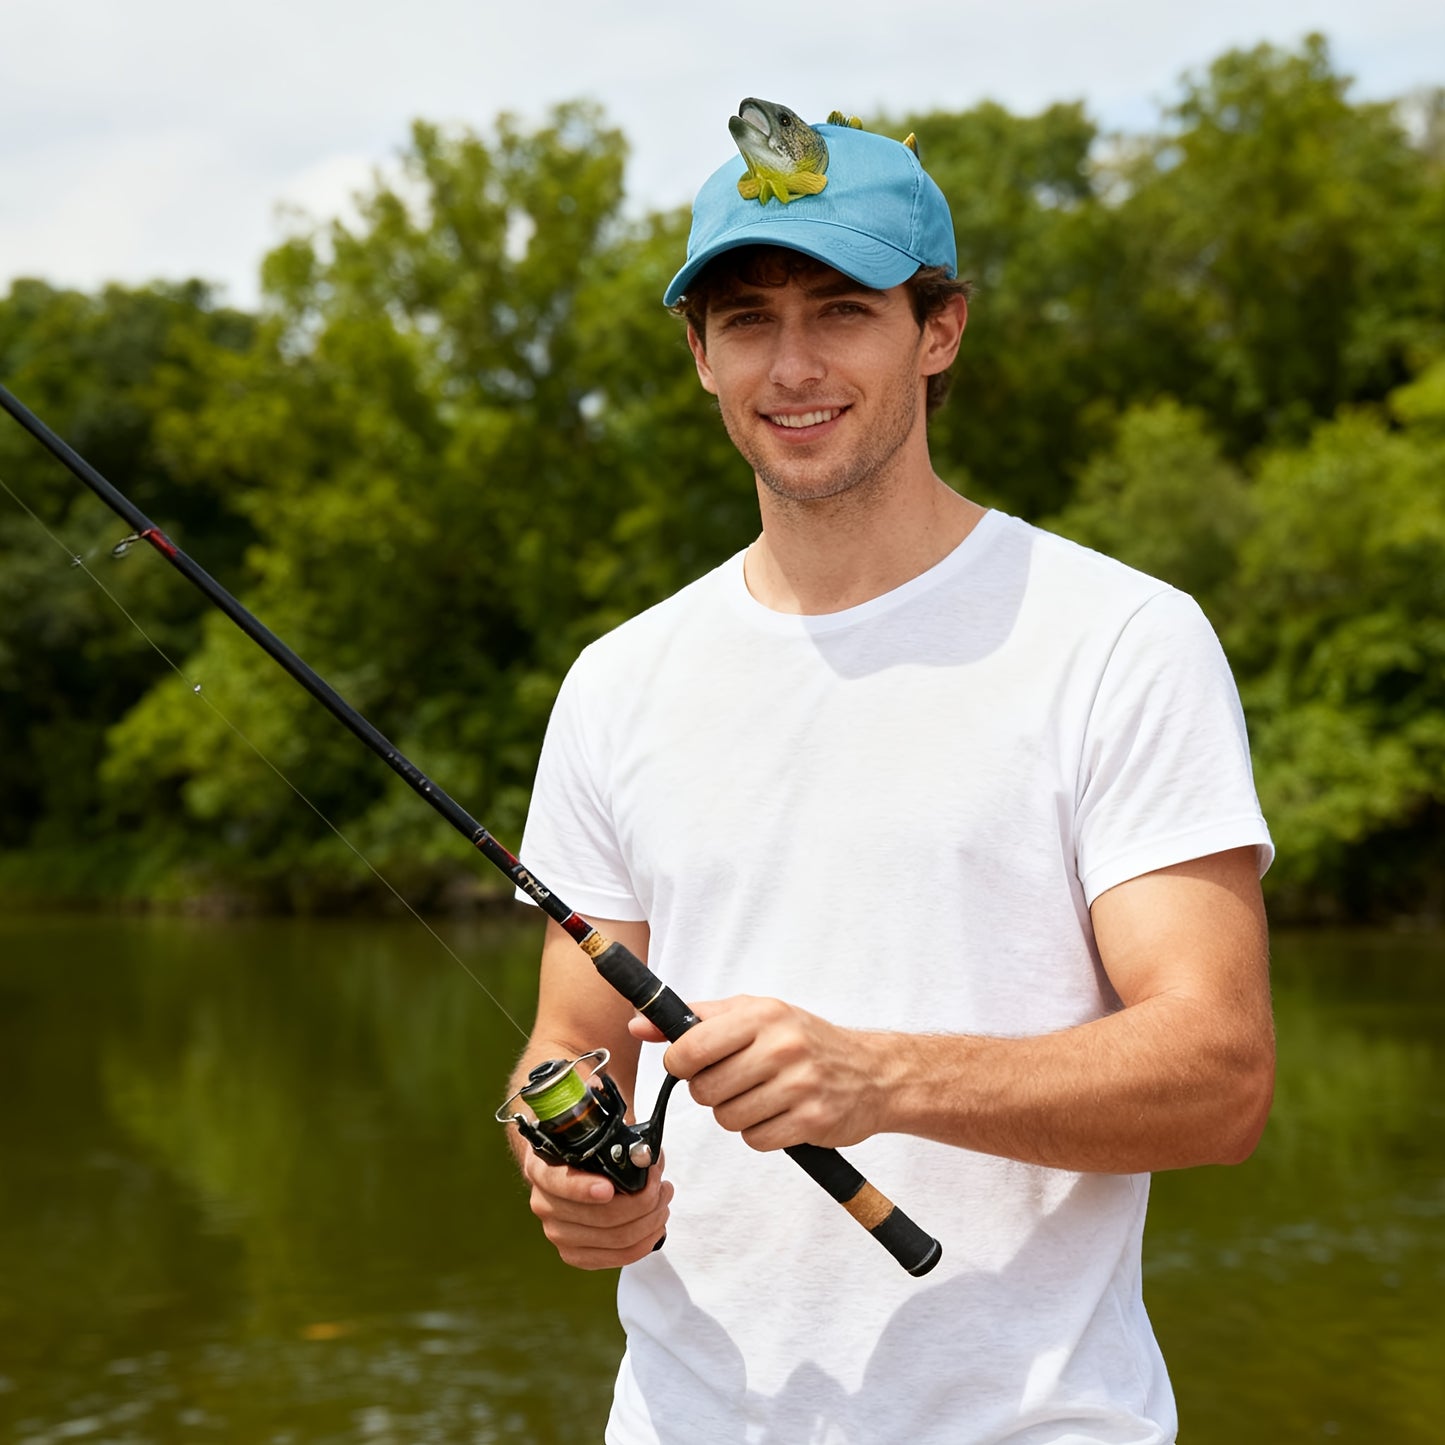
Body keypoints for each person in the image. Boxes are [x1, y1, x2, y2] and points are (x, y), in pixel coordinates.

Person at [505, 108, 1274, 1445]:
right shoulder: (617, 679)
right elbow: (569, 1044)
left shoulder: (1116, 639)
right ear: (697, 354)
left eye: (841, 309)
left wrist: (882, 1077)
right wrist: (569, 1159)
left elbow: (1219, 1077)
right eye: (745, 319)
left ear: (938, 330)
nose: (791, 364)